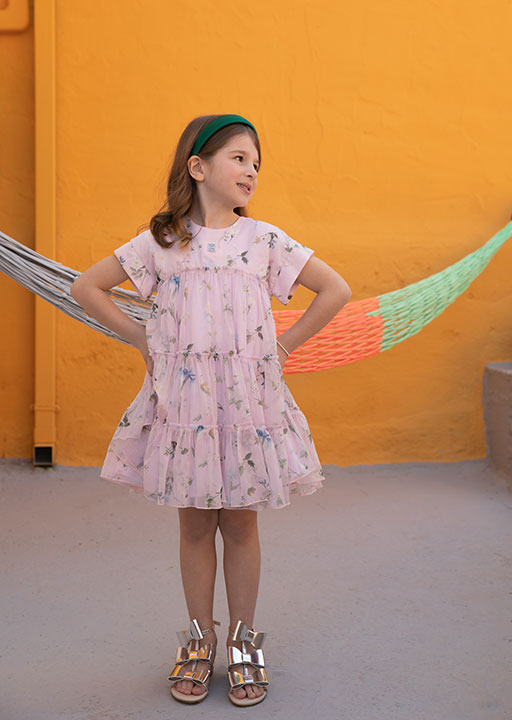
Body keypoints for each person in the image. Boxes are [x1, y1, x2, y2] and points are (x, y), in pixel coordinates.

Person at [70, 113, 351, 707]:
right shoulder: (162, 243)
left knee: (241, 524)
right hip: (187, 406)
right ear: (198, 167)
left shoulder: (264, 240)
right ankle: (199, 642)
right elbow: (85, 287)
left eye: (256, 163)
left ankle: (245, 645)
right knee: (196, 525)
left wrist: (282, 348)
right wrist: (142, 339)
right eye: (239, 158)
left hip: (246, 407)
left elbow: (336, 290)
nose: (251, 171)